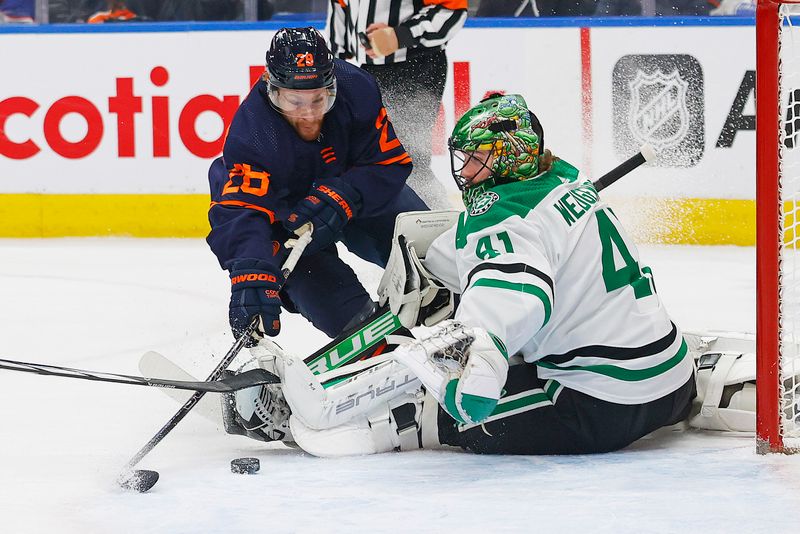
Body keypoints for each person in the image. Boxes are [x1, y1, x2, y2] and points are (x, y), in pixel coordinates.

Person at [228, 94, 760, 455]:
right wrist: (440, 272)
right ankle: (718, 383)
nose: (464, 172)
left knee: (434, 404)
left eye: (476, 160)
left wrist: (477, 360)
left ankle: (349, 420)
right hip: (666, 378)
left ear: (508, 158)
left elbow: (516, 295)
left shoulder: (500, 218)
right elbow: (517, 260)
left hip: (597, 405)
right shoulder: (564, 181)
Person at [206, 27, 427, 348]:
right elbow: (241, 211)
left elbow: (388, 162)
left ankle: (484, 317)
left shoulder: (357, 89)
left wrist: (348, 193)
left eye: (319, 100)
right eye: (294, 101)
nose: (309, 114)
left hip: (362, 202)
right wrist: (250, 271)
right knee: (345, 312)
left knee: (433, 256)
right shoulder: (253, 132)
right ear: (272, 88)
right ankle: (384, 349)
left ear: (333, 85)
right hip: (290, 228)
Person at [325, 0, 468, 210]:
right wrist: (335, 63)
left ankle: (434, 222)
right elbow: (341, 7)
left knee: (407, 158)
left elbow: (452, 9)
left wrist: (400, 35)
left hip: (416, 65)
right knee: (367, 155)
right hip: (366, 70)